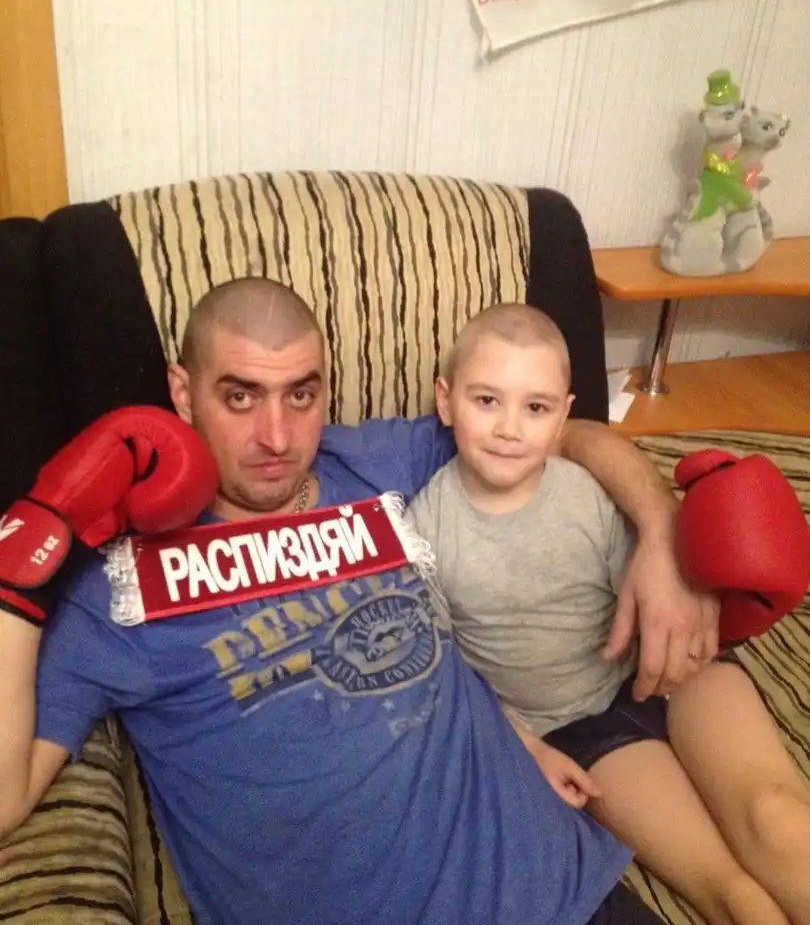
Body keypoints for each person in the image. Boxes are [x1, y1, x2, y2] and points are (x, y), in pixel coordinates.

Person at [0, 277, 718, 925]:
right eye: (240, 396)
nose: (276, 438)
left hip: (565, 888)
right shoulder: (119, 583)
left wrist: (660, 533)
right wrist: (20, 572)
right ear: (183, 394)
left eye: (301, 395)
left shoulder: (375, 462)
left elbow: (565, 433)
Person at [408, 302, 810, 925]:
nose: (509, 428)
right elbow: (443, 669)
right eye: (486, 400)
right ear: (445, 399)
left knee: (777, 816)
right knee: (731, 891)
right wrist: (523, 746)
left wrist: (709, 594)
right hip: (575, 726)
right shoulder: (425, 530)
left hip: (673, 671)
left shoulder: (587, 492)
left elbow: (663, 592)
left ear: (564, 413)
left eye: (536, 407)